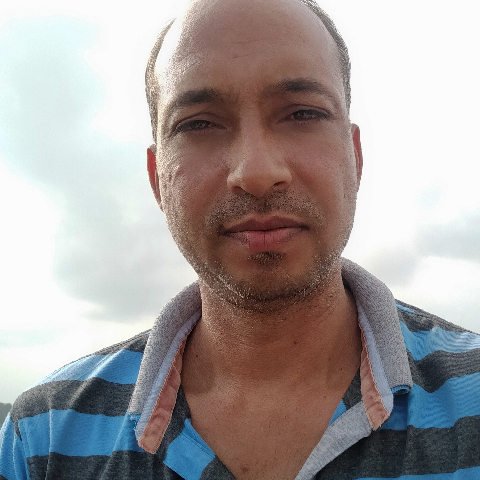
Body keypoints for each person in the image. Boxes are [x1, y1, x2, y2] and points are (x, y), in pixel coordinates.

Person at [1, 0, 480, 478]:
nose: (256, 172)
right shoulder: (43, 437)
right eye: (199, 123)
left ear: (355, 157)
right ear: (157, 178)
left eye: (302, 113)